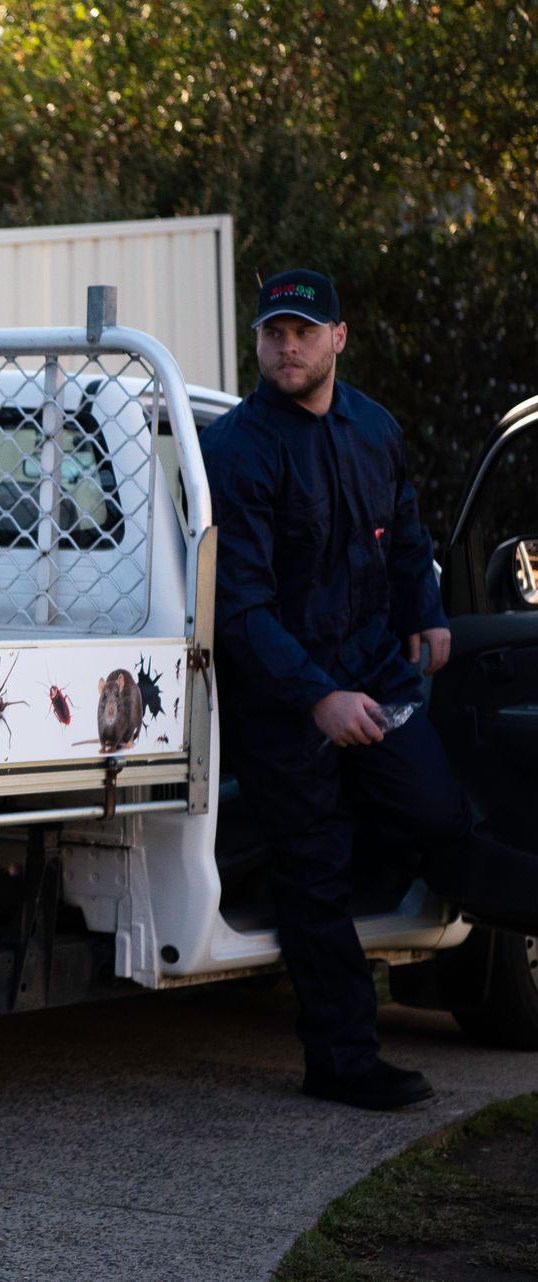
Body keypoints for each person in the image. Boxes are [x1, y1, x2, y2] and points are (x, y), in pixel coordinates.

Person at [203, 269, 538, 1111]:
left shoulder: (376, 430)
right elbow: (239, 608)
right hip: (283, 701)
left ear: (338, 339)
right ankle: (343, 1057)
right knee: (312, 868)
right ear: (257, 340)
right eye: (273, 332)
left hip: (380, 676)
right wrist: (318, 698)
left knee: (436, 813)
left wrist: (430, 612)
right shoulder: (235, 450)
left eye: (304, 332)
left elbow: (406, 530)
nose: (287, 347)